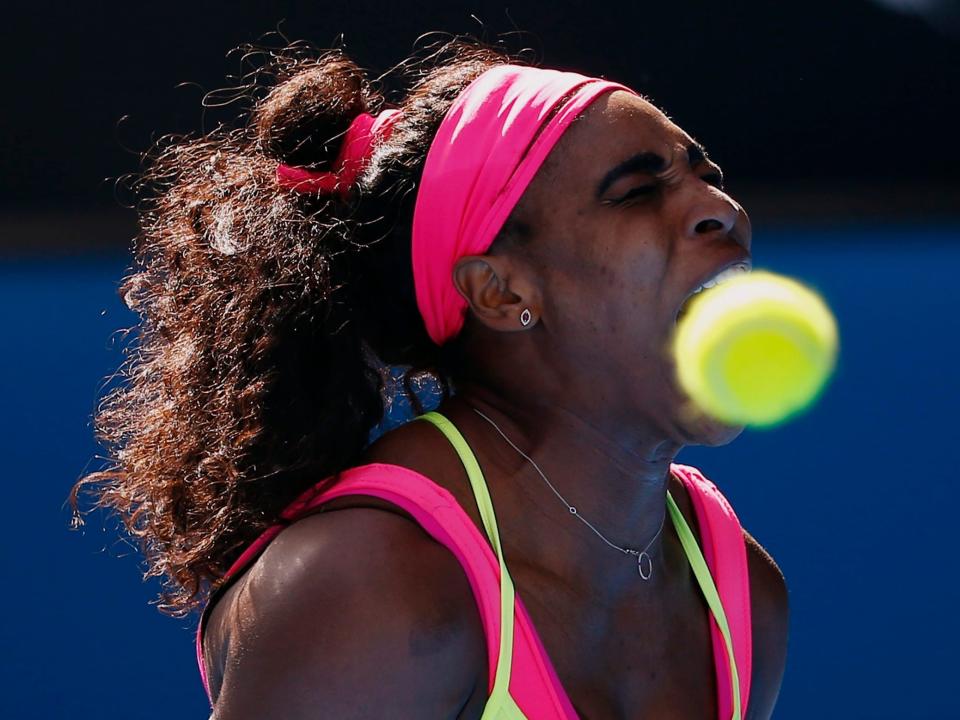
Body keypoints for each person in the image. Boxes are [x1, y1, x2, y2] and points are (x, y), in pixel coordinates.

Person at [75, 37, 788, 719]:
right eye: (636, 190)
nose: (720, 209)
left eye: (707, 175)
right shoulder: (371, 589)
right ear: (501, 295)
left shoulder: (737, 593)